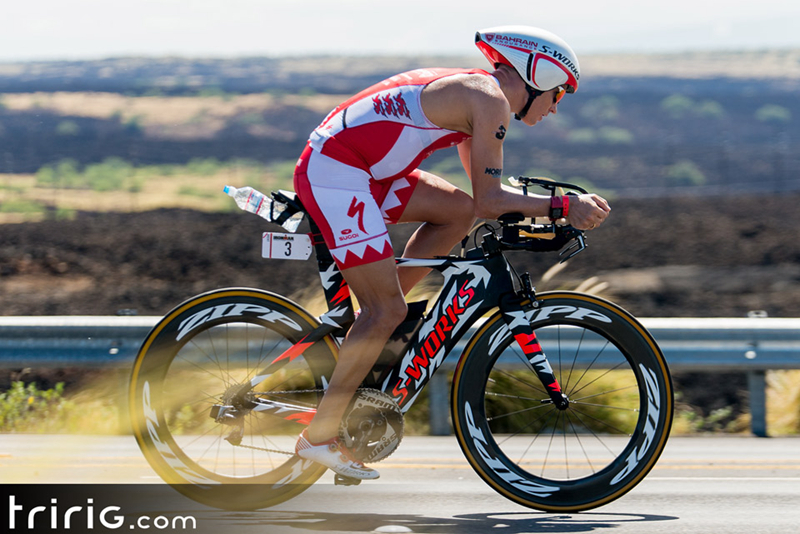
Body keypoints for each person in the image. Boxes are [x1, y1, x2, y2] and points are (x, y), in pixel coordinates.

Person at [293, 25, 610, 479]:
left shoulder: (478, 95)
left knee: (457, 211)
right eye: (558, 94)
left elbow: (481, 198)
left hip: (362, 169)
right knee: (385, 311)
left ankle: (376, 319)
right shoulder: (490, 99)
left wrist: (524, 203)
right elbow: (493, 202)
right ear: (536, 74)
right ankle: (319, 437)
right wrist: (563, 207)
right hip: (337, 172)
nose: (556, 107)